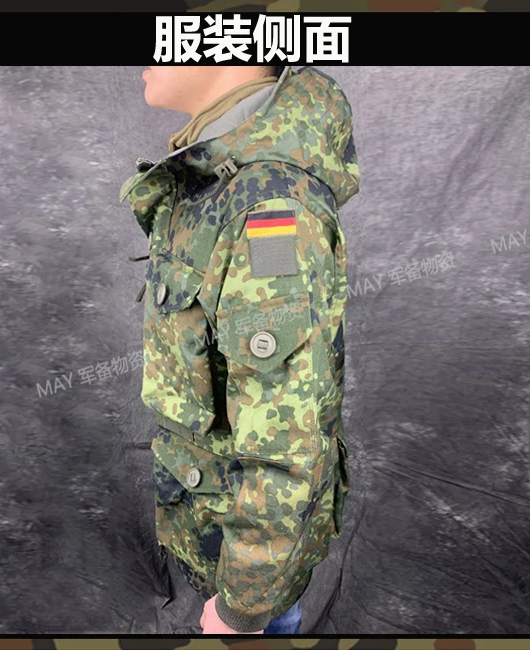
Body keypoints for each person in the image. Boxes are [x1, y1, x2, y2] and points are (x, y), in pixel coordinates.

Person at [120, 64, 359, 634]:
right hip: (218, 531)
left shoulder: (268, 208)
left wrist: (241, 609)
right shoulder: (218, 180)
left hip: (247, 572)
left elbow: (283, 436)